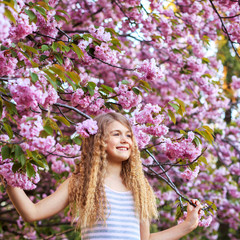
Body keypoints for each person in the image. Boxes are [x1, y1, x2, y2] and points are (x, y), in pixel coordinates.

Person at [1, 112, 202, 240]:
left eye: (128, 135)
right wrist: (9, 177)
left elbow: (144, 239)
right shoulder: (82, 182)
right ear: (98, 141)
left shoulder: (139, 188)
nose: (125, 140)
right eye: (116, 134)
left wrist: (188, 225)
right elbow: (32, 213)